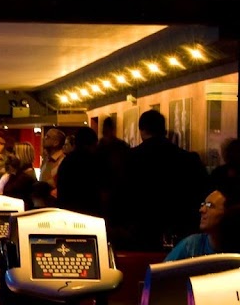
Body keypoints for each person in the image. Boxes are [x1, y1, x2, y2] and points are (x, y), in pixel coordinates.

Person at [124, 108, 209, 251]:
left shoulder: (129, 159)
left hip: (140, 233)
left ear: (141, 130)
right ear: (163, 130)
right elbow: (201, 193)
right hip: (180, 232)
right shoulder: (188, 159)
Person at [164, 185, 240, 260]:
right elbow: (164, 267)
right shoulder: (191, 246)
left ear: (229, 212)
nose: (201, 210)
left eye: (210, 206)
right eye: (203, 205)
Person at [54, 125, 103, 216]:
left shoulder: (66, 162)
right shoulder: (95, 162)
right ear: (92, 144)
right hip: (90, 214)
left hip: (68, 213)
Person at [38, 127, 67, 196]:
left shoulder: (63, 161)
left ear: (56, 143)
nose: (43, 139)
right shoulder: (46, 160)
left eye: (47, 137)